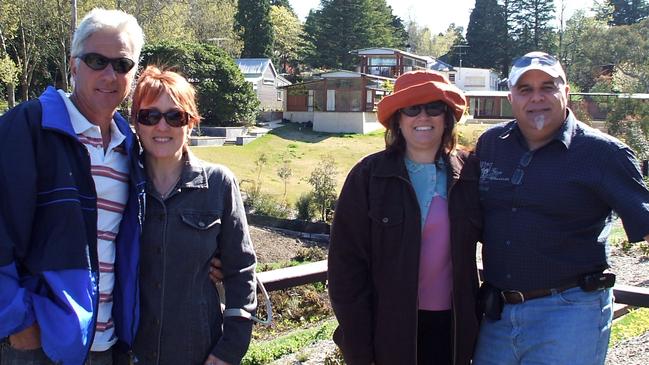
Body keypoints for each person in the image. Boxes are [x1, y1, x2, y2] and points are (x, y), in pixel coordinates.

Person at [472, 51, 649, 365]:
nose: (537, 97)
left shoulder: (604, 154)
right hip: (498, 314)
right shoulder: (491, 145)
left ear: (566, 93)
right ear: (511, 97)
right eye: (525, 89)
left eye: (548, 87)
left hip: (570, 313)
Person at [0, 8, 146, 365]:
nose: (110, 75)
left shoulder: (132, 148)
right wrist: (20, 325)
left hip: (109, 344)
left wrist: (208, 254)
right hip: (40, 346)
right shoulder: (28, 127)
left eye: (122, 64)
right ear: (74, 64)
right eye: (97, 60)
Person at [327, 70, 482, 365]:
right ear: (398, 118)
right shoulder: (368, 177)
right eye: (412, 109)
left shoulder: (470, 172)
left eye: (434, 107)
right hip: (388, 333)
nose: (423, 117)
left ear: (446, 116)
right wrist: (359, 349)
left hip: (454, 332)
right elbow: (345, 271)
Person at [129, 65, 257, 365]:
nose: (162, 127)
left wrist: (229, 351)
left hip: (197, 353)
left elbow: (241, 271)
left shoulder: (219, 184)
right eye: (150, 116)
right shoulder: (120, 184)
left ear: (191, 123)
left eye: (175, 116)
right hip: (128, 352)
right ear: (136, 123)